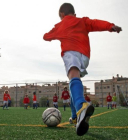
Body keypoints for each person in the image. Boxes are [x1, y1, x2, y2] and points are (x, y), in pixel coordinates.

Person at [43, 3, 122, 136]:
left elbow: (46, 36)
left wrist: (52, 34)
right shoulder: (83, 21)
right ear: (74, 13)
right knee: (73, 82)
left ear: (62, 15)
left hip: (71, 52)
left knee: (73, 76)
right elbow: (96, 23)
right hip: (85, 56)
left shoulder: (60, 25)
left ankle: (81, 107)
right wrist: (110, 26)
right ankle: (75, 117)